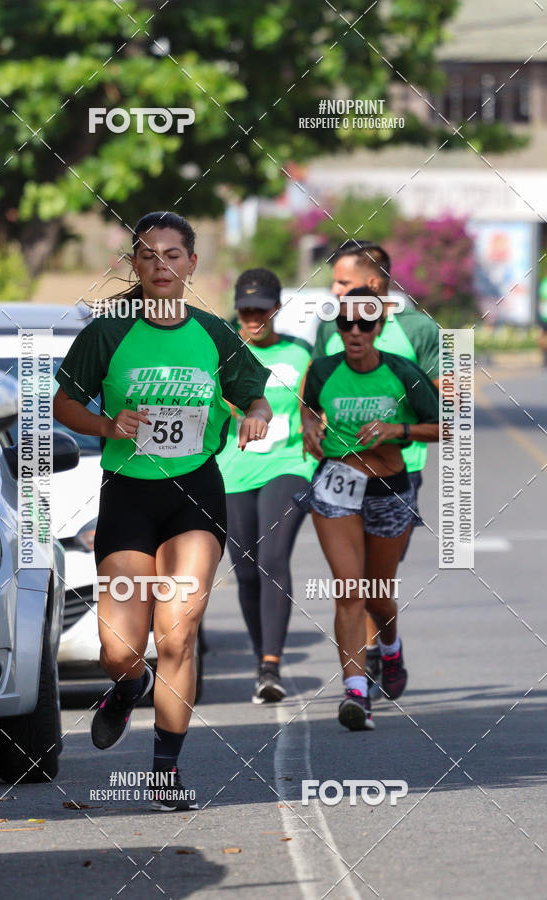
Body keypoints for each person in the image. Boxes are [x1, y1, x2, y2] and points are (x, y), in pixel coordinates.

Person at [53, 211, 272, 809]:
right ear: (135, 264)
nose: (161, 265)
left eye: (173, 255)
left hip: (195, 494)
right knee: (120, 650)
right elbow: (63, 403)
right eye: (148, 255)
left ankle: (164, 772)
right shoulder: (108, 333)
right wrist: (106, 425)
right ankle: (129, 688)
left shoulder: (213, 333)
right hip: (128, 494)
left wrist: (255, 415)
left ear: (191, 264)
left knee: (178, 634)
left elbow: (255, 394)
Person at [299, 296, 439, 730]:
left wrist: (398, 429)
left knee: (377, 595)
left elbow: (447, 425)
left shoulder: (402, 372)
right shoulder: (323, 370)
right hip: (337, 485)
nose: (355, 331)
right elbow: (309, 405)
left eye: (365, 324)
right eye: (346, 324)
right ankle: (356, 692)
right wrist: (309, 426)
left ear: (379, 328)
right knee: (349, 589)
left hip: (389, 490)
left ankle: (391, 648)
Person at [218, 268, 316, 702]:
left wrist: (316, 428)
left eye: (261, 310)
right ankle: (263, 662)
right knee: (245, 570)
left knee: (273, 558)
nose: (253, 318)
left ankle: (272, 665)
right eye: (246, 311)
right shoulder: (222, 352)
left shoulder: (300, 354)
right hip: (232, 470)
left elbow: (314, 407)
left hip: (289, 465)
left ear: (276, 308)